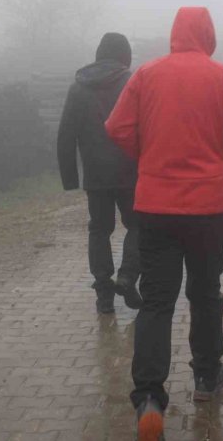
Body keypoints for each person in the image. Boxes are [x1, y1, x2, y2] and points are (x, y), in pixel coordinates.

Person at [105, 7, 223, 441]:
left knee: (157, 301)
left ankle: (151, 398)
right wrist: (217, 158)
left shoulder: (146, 75)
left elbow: (117, 126)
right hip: (208, 209)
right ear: (208, 34)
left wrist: (149, 157)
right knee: (205, 293)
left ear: (173, 33)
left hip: (155, 208)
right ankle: (207, 378)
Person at [57, 32, 142, 315]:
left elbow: (65, 135)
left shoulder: (78, 88)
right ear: (124, 56)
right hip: (130, 171)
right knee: (139, 225)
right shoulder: (132, 83)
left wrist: (70, 178)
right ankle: (128, 276)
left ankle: (103, 292)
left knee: (99, 230)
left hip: (95, 175)